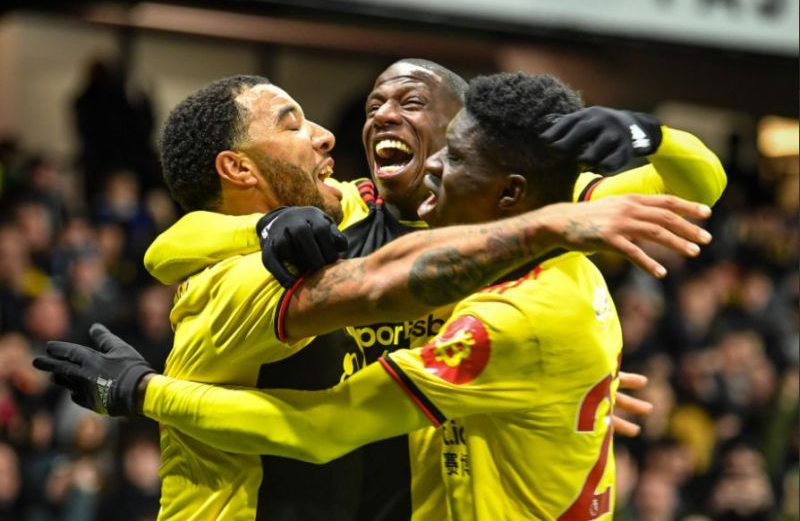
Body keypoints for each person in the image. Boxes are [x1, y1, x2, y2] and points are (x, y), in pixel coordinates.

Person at [35, 72, 716, 520]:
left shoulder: (528, 254)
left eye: (414, 105)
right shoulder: (334, 221)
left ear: (462, 140)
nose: (379, 116)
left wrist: (647, 133)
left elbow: (693, 191)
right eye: (374, 105)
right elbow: (170, 248)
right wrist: (261, 223)